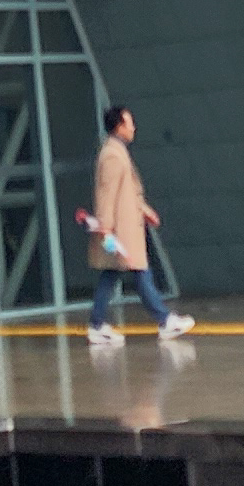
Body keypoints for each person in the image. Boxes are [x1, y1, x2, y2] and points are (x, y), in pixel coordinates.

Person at [86, 104, 195, 349]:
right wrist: (106, 227)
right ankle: (163, 320)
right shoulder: (112, 155)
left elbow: (127, 191)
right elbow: (106, 193)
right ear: (119, 126)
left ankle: (98, 325)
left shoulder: (116, 151)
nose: (133, 127)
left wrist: (145, 211)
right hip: (119, 229)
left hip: (123, 227)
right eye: (129, 123)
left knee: (114, 273)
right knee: (137, 271)